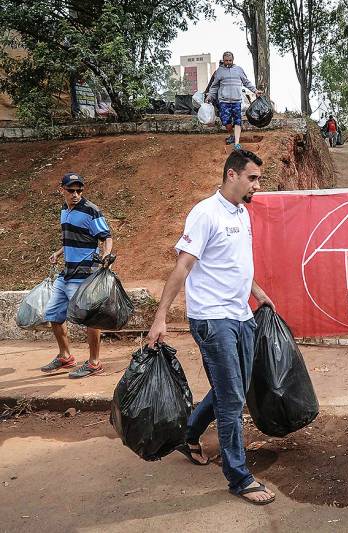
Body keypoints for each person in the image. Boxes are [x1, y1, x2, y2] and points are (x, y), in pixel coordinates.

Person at [145, 149, 277, 506]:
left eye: (258, 179)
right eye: (252, 178)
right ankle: (239, 477)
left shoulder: (242, 212)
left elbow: (234, 262)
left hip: (241, 315)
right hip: (212, 318)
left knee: (231, 389)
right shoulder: (205, 213)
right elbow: (183, 266)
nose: (257, 185)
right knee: (233, 397)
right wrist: (160, 318)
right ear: (232, 175)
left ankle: (189, 433)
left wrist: (257, 291)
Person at [41, 173, 114, 379]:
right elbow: (71, 237)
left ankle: (94, 362)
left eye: (79, 190)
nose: (75, 194)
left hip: (84, 273)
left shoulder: (91, 211)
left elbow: (106, 237)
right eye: (71, 190)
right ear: (61, 190)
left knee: (90, 318)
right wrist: (58, 252)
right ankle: (65, 357)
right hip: (66, 274)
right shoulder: (65, 210)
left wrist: (107, 255)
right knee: (54, 315)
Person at [206, 51, 263, 151]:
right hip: (224, 101)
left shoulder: (239, 70)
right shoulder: (219, 71)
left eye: (230, 60)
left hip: (237, 101)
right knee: (225, 121)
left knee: (237, 121)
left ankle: (236, 142)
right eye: (226, 60)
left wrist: (255, 91)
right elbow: (214, 86)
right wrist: (210, 96)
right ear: (223, 60)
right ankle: (232, 135)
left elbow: (246, 82)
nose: (228, 62)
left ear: (233, 60)